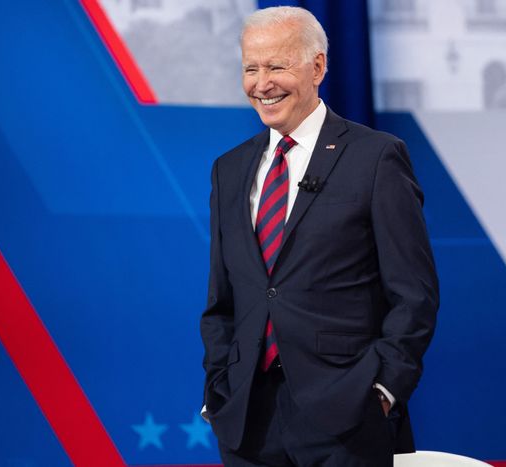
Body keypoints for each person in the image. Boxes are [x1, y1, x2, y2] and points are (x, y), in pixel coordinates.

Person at [200, 6, 439, 466]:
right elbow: (222, 299)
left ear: (318, 66)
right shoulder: (228, 170)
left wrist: (384, 389)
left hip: (347, 417)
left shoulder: (375, 158)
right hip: (248, 419)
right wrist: (219, 386)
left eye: (276, 66)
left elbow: (415, 294)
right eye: (251, 67)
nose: (261, 83)